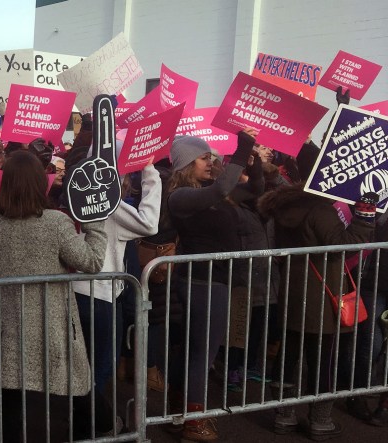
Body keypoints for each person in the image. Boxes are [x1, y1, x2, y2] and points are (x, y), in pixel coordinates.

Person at [0, 151, 108, 441]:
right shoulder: (56, 223)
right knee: (70, 388)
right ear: (39, 183)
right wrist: (95, 222)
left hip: (0, 324)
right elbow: (92, 261)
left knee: (7, 403)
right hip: (49, 322)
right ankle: (97, 428)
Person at [257, 143, 376, 440]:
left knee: (289, 354)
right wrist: (364, 216)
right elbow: (342, 246)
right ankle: (321, 420)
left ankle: (284, 416)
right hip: (323, 297)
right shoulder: (318, 209)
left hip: (294, 292)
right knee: (322, 359)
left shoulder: (287, 204)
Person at [166, 131, 260, 441]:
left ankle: (179, 414)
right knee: (201, 354)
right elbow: (222, 188)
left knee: (195, 351)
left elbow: (255, 189)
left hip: (212, 282)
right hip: (202, 283)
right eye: (204, 158)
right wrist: (242, 145)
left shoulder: (209, 191)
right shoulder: (180, 196)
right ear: (185, 164)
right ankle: (193, 422)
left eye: (211, 157)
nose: (211, 162)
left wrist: (253, 157)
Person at [71, 156, 161, 438]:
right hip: (99, 295)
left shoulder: (74, 196)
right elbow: (149, 225)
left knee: (82, 368)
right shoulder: (108, 203)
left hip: (75, 291)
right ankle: (93, 430)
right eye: (126, 176)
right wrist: (150, 171)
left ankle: (86, 427)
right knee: (97, 370)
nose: (128, 183)